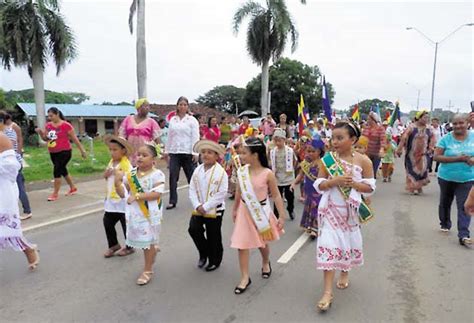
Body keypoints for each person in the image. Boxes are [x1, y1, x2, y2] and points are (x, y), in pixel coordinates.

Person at [313, 121, 375, 312]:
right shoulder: (327, 160)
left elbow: (370, 188)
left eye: (340, 138)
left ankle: (345, 271)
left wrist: (354, 185)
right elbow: (319, 185)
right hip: (331, 211)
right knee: (329, 247)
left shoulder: (364, 161)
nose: (335, 142)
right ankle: (327, 292)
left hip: (350, 213)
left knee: (346, 244)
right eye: (333, 138)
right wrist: (334, 181)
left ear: (353, 139)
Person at [230, 137, 286, 294]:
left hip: (260, 212)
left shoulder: (267, 174)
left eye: (244, 153)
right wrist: (234, 209)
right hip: (244, 211)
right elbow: (239, 192)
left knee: (262, 243)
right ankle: (245, 278)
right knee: (241, 244)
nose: (241, 156)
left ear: (255, 155)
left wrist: (281, 216)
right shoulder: (242, 172)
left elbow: (276, 196)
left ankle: (266, 261)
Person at [114, 144, 165, 285]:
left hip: (150, 213)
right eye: (138, 155)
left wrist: (137, 196)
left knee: (147, 243)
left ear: (153, 160)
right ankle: (153, 249)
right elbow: (123, 194)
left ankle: (147, 270)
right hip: (135, 214)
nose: (140, 157)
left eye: (144, 155)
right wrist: (117, 182)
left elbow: (156, 194)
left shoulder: (157, 174)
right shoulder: (131, 174)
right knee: (145, 242)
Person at [0, 132, 40, 270]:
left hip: (2, 189)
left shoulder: (2, 138)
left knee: (7, 229)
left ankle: (28, 249)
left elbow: (12, 167)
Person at [433, 113, 473, 246]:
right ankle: (445, 223)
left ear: (467, 123)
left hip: (467, 178)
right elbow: (436, 157)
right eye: (455, 123)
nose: (458, 126)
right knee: (445, 202)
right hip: (446, 177)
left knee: (464, 205)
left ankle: (464, 234)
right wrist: (458, 159)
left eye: (461, 123)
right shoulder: (446, 139)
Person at [188, 140, 228, 272]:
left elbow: (221, 193)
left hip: (215, 209)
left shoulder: (221, 172)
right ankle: (203, 252)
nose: (205, 155)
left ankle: (215, 260)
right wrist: (198, 205)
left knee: (213, 235)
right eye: (203, 152)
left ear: (216, 156)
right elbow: (192, 189)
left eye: (209, 153)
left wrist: (206, 206)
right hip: (198, 207)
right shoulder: (197, 170)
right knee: (193, 229)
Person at [35, 107, 87, 201]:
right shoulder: (48, 126)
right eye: (49, 116)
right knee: (62, 170)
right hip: (53, 152)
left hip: (65, 151)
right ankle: (73, 188)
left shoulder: (66, 125)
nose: (50, 118)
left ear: (57, 114)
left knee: (57, 170)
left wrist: (82, 150)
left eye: (52, 115)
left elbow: (75, 139)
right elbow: (46, 139)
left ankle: (55, 194)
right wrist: (40, 133)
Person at [164, 96, 200, 210]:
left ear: (187, 106)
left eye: (185, 105)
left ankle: (197, 200)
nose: (182, 106)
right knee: (173, 176)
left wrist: (195, 152)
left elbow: (195, 136)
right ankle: (172, 201)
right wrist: (166, 151)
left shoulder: (192, 120)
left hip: (188, 152)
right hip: (175, 152)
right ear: (177, 106)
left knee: (192, 177)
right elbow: (170, 137)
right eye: (180, 104)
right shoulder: (173, 120)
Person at [102, 135, 134, 258]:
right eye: (110, 150)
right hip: (111, 199)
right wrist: (107, 173)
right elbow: (106, 177)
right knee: (107, 222)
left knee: (125, 224)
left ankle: (129, 246)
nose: (112, 152)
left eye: (115, 150)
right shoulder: (111, 162)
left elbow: (130, 181)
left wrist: (120, 176)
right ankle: (113, 244)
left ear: (123, 151)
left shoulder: (127, 165)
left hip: (122, 200)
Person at [0, 111, 32, 220]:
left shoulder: (8, 131)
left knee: (17, 188)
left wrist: (19, 152)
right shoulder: (7, 131)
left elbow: (19, 140)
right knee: (15, 187)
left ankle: (26, 211)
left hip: (11, 164)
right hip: (14, 162)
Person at [290, 138, 325, 239]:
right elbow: (301, 174)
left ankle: (315, 228)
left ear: (319, 151)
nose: (309, 153)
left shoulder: (322, 164)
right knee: (309, 207)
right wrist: (293, 183)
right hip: (308, 190)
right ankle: (309, 225)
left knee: (316, 208)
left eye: (312, 151)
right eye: (308, 151)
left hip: (318, 191)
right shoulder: (306, 163)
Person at [396, 110, 435, 195]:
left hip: (424, 154)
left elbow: (432, 138)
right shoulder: (411, 127)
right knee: (411, 171)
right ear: (419, 118)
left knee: (423, 170)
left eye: (427, 118)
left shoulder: (429, 128)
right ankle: (413, 188)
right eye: (425, 117)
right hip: (411, 155)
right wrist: (399, 149)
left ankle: (418, 186)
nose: (426, 119)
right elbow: (404, 138)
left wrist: (431, 147)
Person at [118, 98, 161, 166]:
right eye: (145, 106)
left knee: (143, 171)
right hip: (130, 150)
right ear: (138, 107)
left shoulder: (151, 122)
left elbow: (157, 138)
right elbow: (122, 135)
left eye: (148, 106)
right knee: (130, 172)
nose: (147, 108)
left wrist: (159, 151)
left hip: (145, 151)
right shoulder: (128, 119)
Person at [270, 128, 297, 220]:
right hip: (277, 177)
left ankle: (290, 209)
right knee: (277, 196)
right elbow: (272, 163)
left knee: (290, 196)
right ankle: (276, 215)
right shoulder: (273, 151)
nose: (278, 143)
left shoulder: (290, 150)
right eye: (276, 141)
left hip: (288, 177)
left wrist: (292, 171)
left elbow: (294, 161)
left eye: (280, 141)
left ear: (284, 140)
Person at [362, 112, 386, 178]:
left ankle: (371, 186)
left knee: (372, 172)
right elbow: (362, 139)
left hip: (376, 154)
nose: (367, 121)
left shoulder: (380, 129)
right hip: (366, 153)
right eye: (367, 119)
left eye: (369, 119)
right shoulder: (366, 129)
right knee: (365, 171)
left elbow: (383, 140)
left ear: (373, 120)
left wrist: (382, 149)